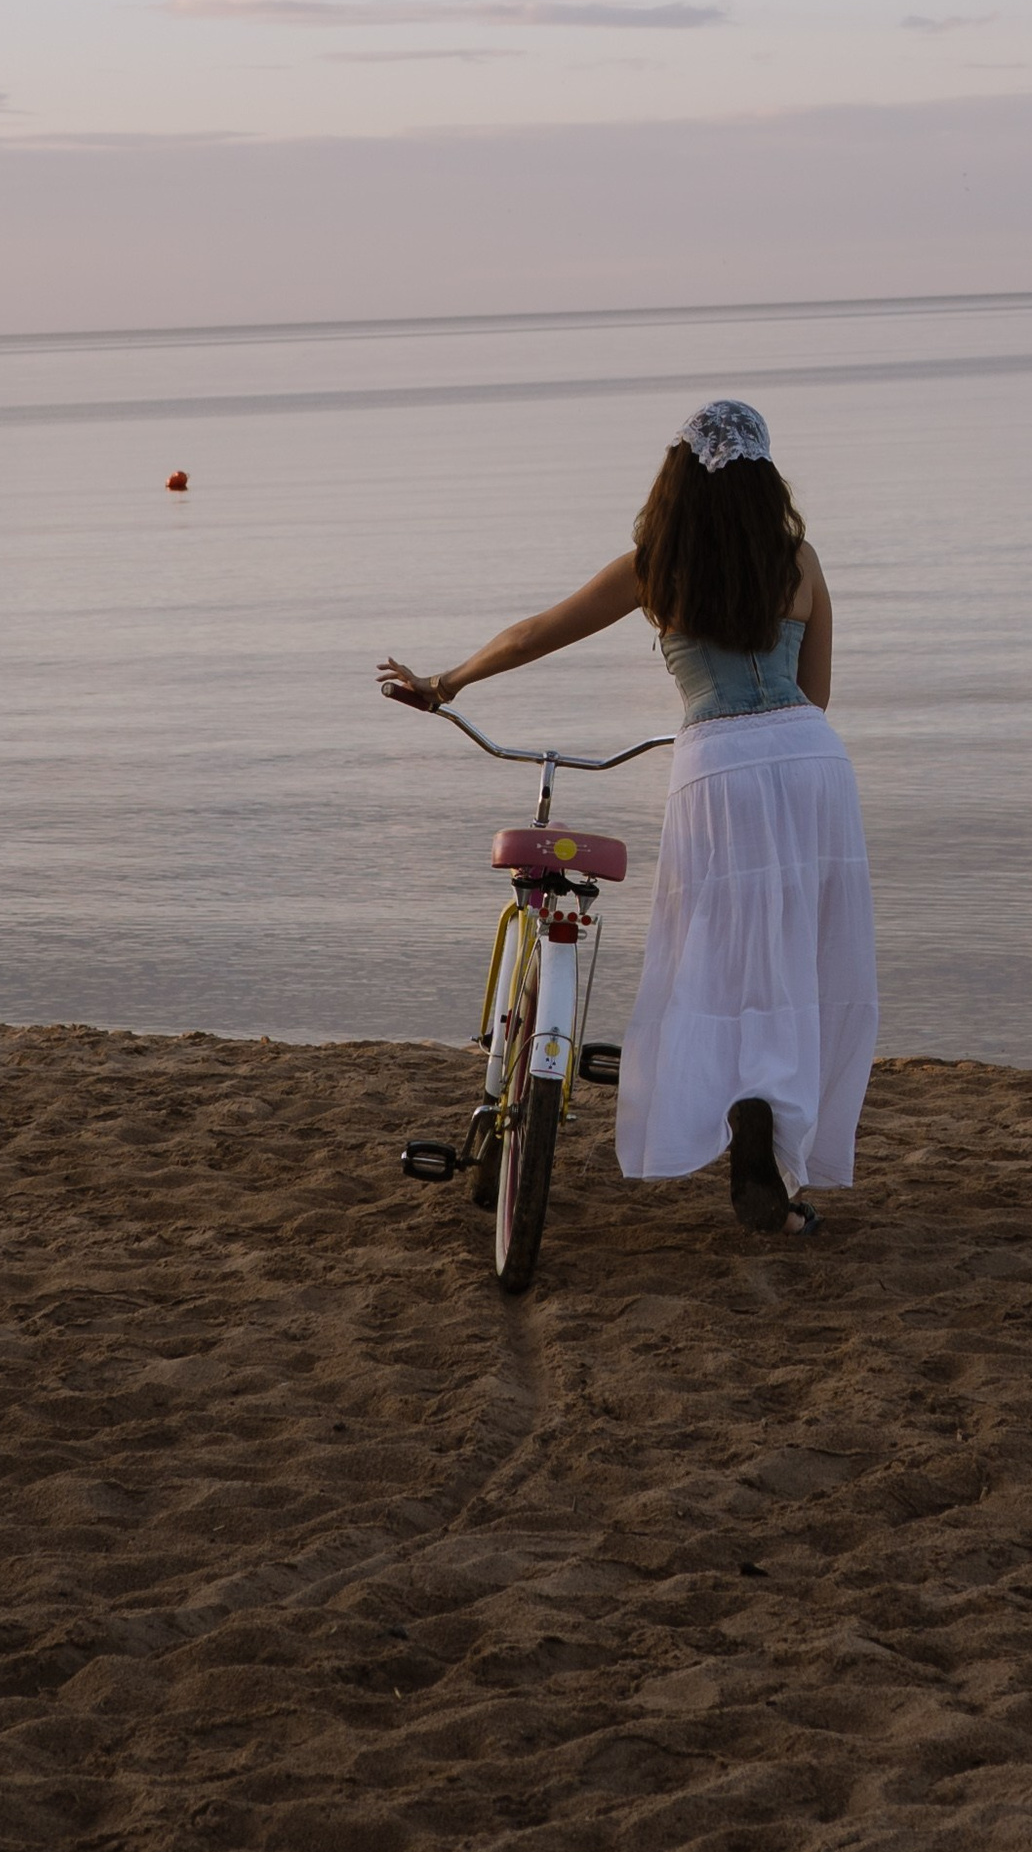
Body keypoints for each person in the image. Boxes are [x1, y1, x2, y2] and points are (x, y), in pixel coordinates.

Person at [377, 400, 879, 1238]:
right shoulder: (801, 560)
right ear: (764, 477)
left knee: (715, 957)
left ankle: (738, 1108)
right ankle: (773, 1133)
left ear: (677, 479)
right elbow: (817, 693)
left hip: (717, 766)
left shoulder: (657, 564)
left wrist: (449, 682)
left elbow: (538, 632)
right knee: (793, 958)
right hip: (811, 761)